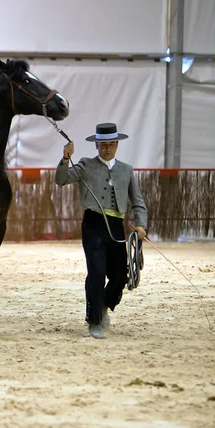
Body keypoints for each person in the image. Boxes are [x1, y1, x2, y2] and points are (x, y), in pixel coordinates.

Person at [55, 122, 147, 340]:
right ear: (96, 145)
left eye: (111, 144)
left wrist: (141, 224)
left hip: (117, 227)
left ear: (117, 145)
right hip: (93, 226)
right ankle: (94, 321)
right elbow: (61, 179)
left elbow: (138, 202)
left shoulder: (126, 170)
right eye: (103, 144)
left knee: (121, 275)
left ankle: (106, 304)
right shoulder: (85, 165)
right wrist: (66, 158)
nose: (107, 148)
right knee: (96, 273)